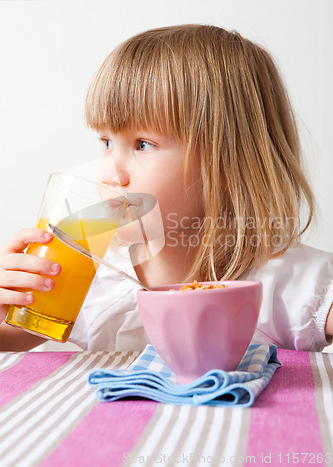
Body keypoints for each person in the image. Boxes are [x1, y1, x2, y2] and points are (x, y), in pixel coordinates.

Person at [0, 24, 332, 352]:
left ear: (228, 164)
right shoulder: (88, 273)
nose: (109, 173)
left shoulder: (285, 281)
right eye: (106, 142)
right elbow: (9, 339)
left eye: (143, 144)